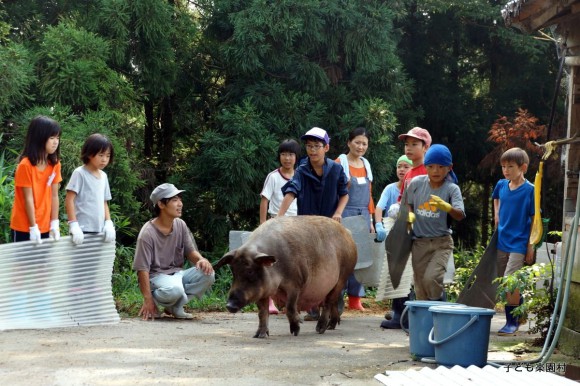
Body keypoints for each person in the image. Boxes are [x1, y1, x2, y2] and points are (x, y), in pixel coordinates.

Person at [278, 127, 349, 320]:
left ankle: (334, 302)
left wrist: (338, 213)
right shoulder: (301, 169)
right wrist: (280, 216)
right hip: (307, 227)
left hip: (330, 227)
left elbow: (344, 194)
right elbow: (291, 191)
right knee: (309, 265)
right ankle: (312, 307)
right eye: (309, 146)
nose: (313, 150)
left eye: (317, 146)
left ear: (326, 147)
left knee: (333, 265)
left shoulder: (336, 169)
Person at [133, 183, 215, 320]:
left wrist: (202, 260)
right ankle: (155, 300)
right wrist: (148, 299)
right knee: (175, 290)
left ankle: (175, 307)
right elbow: (142, 269)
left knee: (208, 274)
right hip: (156, 277)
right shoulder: (147, 233)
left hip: (177, 274)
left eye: (180, 199)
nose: (180, 204)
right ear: (161, 204)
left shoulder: (180, 224)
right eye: (174, 200)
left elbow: (190, 252)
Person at [380, 127, 432, 329]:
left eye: (414, 144)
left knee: (422, 276)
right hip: (405, 230)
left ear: (425, 147)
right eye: (406, 144)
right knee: (399, 271)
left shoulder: (430, 170)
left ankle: (423, 318)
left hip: (424, 232)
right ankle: (399, 314)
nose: (409, 148)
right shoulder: (409, 173)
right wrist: (397, 209)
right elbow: (402, 200)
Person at [405, 144, 465, 301]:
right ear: (425, 167)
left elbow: (460, 215)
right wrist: (410, 215)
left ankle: (439, 307)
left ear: (449, 168)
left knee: (431, 279)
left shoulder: (452, 189)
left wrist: (446, 207)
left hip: (441, 243)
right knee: (419, 286)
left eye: (440, 167)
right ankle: (424, 323)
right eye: (431, 166)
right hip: (419, 242)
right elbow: (408, 202)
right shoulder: (417, 183)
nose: (435, 171)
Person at [492, 147, 535, 335]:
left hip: (519, 242)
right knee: (505, 281)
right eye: (503, 166)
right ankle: (520, 310)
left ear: (523, 167)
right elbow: (495, 199)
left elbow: (535, 221)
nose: (506, 170)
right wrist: (496, 216)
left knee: (511, 281)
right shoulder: (501, 185)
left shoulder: (530, 190)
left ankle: (512, 322)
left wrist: (530, 247)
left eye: (510, 166)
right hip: (502, 240)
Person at [335, 127, 376, 311]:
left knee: (360, 258)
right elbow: (334, 192)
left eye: (364, 144)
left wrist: (373, 221)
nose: (360, 146)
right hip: (344, 214)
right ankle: (336, 297)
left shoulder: (366, 164)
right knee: (342, 258)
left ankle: (355, 298)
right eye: (357, 142)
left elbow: (369, 194)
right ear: (349, 142)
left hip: (363, 216)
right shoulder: (340, 162)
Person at [259, 138, 300, 314]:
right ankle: (269, 301)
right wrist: (263, 224)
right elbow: (264, 200)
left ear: (296, 157)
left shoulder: (300, 175)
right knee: (271, 263)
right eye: (283, 154)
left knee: (294, 265)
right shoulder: (273, 176)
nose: (287, 158)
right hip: (276, 224)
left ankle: (293, 303)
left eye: (290, 154)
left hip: (297, 225)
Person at [10, 116, 63, 244]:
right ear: (39, 139)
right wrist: (33, 227)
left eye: (57, 138)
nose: (55, 142)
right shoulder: (25, 165)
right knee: (23, 264)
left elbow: (54, 195)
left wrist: (54, 223)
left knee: (43, 264)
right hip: (24, 227)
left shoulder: (55, 164)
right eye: (51, 138)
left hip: (45, 226)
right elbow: (28, 198)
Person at [65, 134, 116, 245]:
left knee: (96, 262)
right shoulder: (79, 173)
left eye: (108, 156)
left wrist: (108, 222)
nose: (104, 160)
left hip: (100, 229)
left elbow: (104, 202)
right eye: (101, 155)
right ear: (89, 154)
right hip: (81, 229)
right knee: (80, 261)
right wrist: (73, 224)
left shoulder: (104, 176)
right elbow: (69, 200)